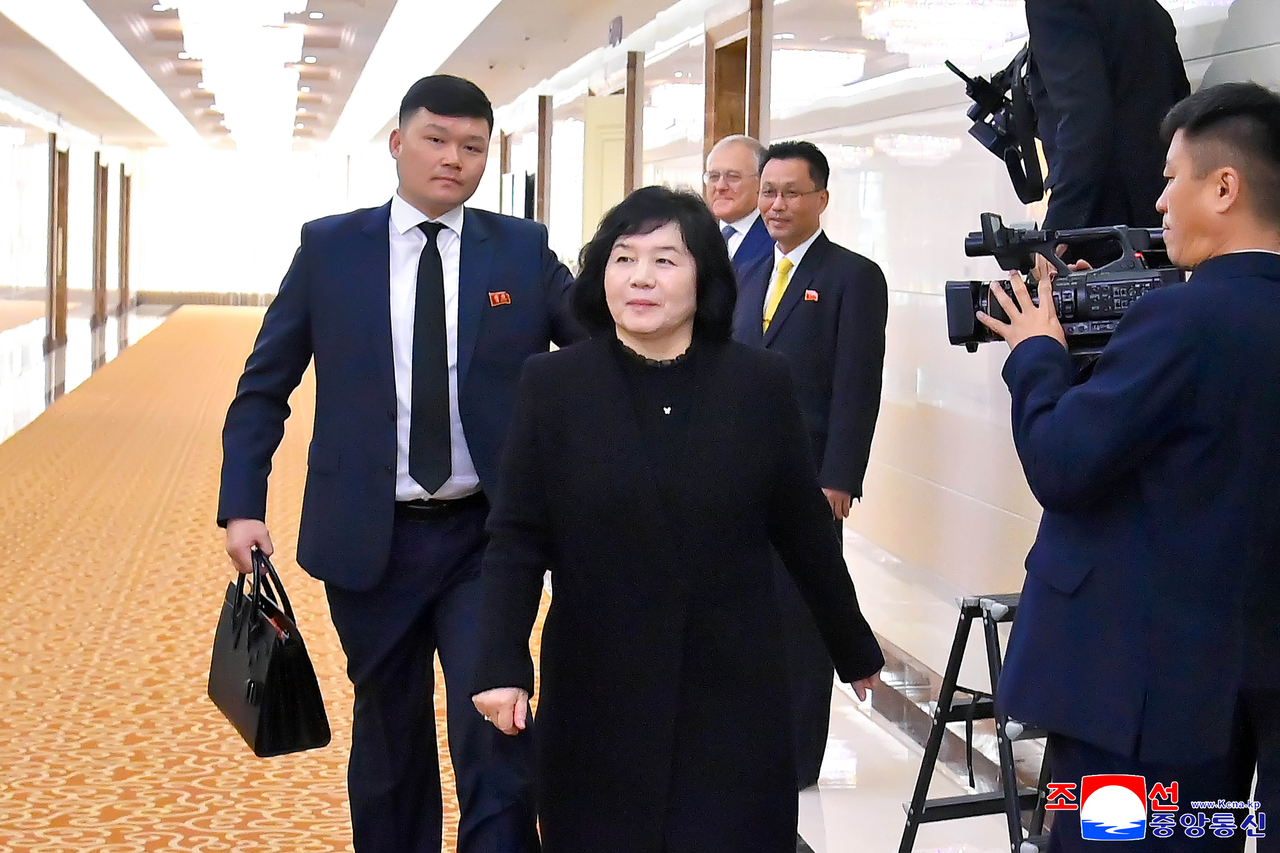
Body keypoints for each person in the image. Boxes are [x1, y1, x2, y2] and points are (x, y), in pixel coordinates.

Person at [217, 74, 581, 853]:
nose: (454, 158)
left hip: (487, 537)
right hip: (369, 535)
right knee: (388, 727)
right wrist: (242, 502)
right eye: (437, 140)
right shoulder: (329, 248)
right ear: (398, 142)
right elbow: (264, 387)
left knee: (497, 718)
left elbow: (596, 342)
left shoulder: (520, 248)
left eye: (473, 146)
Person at [470, 186, 884, 853]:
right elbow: (517, 536)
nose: (640, 276)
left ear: (705, 278)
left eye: (665, 260)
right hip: (598, 684)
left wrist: (852, 645)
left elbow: (803, 531)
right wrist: (500, 660)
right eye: (623, 257)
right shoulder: (553, 385)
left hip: (731, 687)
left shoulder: (758, 383)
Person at [977, 81, 1280, 852]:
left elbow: (1064, 461)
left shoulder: (1183, 316)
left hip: (1135, 694)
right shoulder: (1209, 309)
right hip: (1239, 687)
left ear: (1224, 186)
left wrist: (1038, 352)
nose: (1161, 196)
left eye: (1173, 176)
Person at [732, 140, 888, 789]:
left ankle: (797, 759)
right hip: (735, 478)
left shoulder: (853, 275)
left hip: (809, 481)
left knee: (801, 616)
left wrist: (840, 477)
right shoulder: (740, 275)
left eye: (791, 192)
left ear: (821, 198)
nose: (776, 204)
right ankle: (742, 740)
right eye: (767, 190)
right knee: (742, 610)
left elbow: (858, 383)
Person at [1026, 0, 1189, 281]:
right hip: (1158, 221)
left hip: (1101, 229)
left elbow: (1084, 118)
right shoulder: (1146, 8)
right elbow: (1178, 110)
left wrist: (1058, 231)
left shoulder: (1055, 6)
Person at [704, 134, 773, 275]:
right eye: (713, 177)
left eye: (733, 177)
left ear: (761, 182)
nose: (720, 186)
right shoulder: (697, 237)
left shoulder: (777, 242)